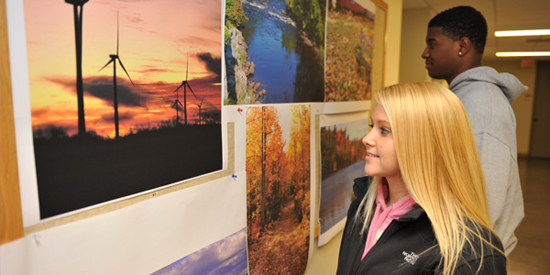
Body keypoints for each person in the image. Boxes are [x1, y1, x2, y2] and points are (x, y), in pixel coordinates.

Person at [336, 82, 507, 275]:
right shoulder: (361, 208)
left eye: (384, 130)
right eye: (371, 125)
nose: (366, 138)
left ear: (422, 144)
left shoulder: (471, 254)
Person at [421, 5, 525, 255]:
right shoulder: (463, 98)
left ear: (462, 46)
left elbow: (485, 200)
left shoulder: (482, 105)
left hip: (469, 255)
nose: (424, 53)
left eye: (432, 44)